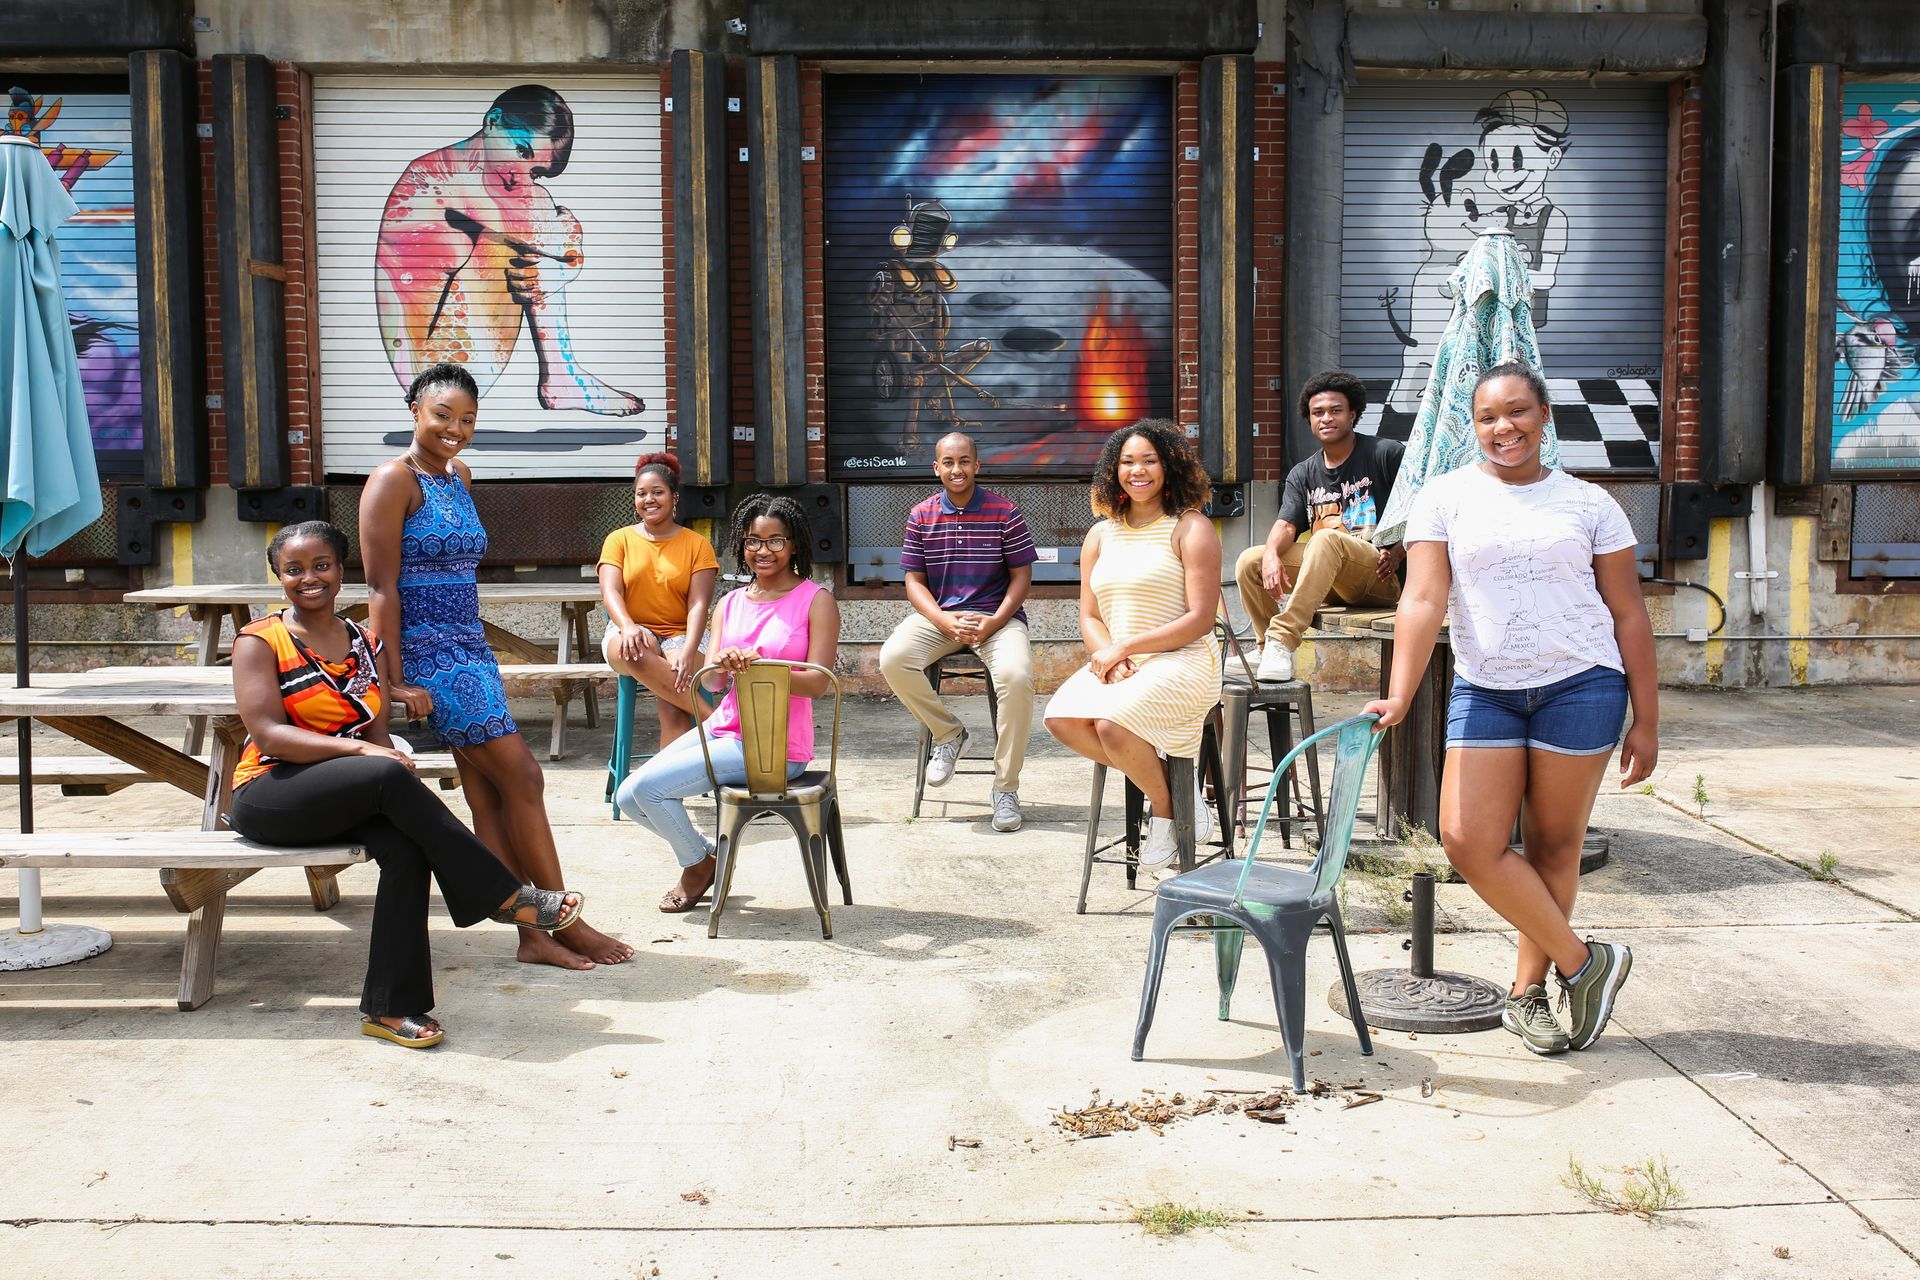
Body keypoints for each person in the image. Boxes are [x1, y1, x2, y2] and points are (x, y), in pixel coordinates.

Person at [1364, 363, 1657, 1056]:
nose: (1505, 428)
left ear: (1545, 416)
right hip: (1486, 687)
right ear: (1474, 426)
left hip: (1583, 684)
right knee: (1467, 839)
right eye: (1489, 417)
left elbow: (1629, 613)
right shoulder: (1444, 498)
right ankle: (1587, 964)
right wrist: (1403, 690)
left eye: (1518, 412)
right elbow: (1424, 599)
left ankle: (1529, 997)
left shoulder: (1590, 504)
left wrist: (1647, 718)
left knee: (1554, 845)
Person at [227, 521, 583, 1050]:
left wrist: (378, 751)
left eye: (321, 566)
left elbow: (375, 732)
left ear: (339, 569)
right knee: (387, 770)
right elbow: (269, 734)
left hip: (344, 792)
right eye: (294, 570)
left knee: (409, 849)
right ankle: (503, 894)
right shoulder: (259, 641)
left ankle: (392, 1008)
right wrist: (367, 752)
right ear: (278, 576)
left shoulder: (366, 644)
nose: (310, 579)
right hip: (271, 794)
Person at [359, 362, 632, 970]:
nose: (455, 429)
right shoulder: (390, 480)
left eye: (467, 419)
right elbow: (380, 590)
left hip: (471, 648)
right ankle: (566, 920)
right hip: (431, 656)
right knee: (525, 778)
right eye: (442, 415)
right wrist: (393, 680)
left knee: (489, 796)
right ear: (414, 412)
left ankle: (532, 937)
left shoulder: (459, 474)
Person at [617, 493, 841, 914]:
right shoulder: (730, 603)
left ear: (795, 545)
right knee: (628, 796)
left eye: (776, 541)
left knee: (651, 790)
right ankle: (705, 856)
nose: (764, 551)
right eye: (754, 541)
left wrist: (763, 668)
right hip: (725, 727)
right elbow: (716, 682)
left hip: (774, 746)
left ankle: (696, 869)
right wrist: (719, 661)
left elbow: (818, 684)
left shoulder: (817, 599)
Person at [374, 84, 643, 417]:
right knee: (544, 212)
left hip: (465, 359)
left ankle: (561, 377)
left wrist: (559, 260)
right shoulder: (434, 183)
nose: (521, 173)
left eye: (534, 168)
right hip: (432, 370)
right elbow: (555, 241)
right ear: (492, 122)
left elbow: (555, 249)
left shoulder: (489, 182)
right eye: (521, 150)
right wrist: (562, 250)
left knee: (541, 213)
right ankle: (560, 376)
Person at [1044, 420, 1222, 870]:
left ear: (1170, 466)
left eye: (1149, 460)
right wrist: (1110, 654)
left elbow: (1200, 620)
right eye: (1127, 462)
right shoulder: (1100, 534)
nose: (1137, 470)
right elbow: (1090, 615)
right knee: (1060, 719)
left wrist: (1123, 649)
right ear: (1113, 470)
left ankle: (1164, 812)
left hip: (1184, 659)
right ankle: (1181, 801)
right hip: (1122, 660)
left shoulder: (1191, 528)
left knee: (1110, 725)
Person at [878, 431, 1038, 832]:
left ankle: (1005, 789)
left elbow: (1022, 577)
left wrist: (995, 621)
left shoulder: (1006, 512)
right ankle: (949, 734)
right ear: (936, 468)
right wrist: (944, 620)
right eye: (948, 462)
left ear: (977, 465)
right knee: (893, 658)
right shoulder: (921, 515)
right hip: (942, 618)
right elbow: (914, 582)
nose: (957, 469)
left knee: (1017, 678)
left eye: (964, 461)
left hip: (997, 620)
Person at [1235, 370, 1405, 684]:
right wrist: (1272, 553)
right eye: (1318, 413)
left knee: (1325, 538)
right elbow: (1286, 524)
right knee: (1252, 560)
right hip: (1330, 580)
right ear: (1309, 419)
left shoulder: (1386, 453)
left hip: (1381, 578)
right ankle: (1265, 647)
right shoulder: (1303, 473)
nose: (1326, 418)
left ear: (1353, 414)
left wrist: (1399, 551)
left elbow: (1423, 510)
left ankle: (1283, 640)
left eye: (1335, 410)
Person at [598, 451, 720, 747]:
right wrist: (627, 626)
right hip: (629, 630)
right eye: (642, 494)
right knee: (636, 648)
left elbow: (698, 604)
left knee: (675, 703)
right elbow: (610, 591)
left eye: (657, 492)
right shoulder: (619, 539)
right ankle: (716, 721)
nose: (649, 499)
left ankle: (666, 791)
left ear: (674, 497)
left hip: (683, 635)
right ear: (635, 501)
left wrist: (689, 648)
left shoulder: (697, 545)